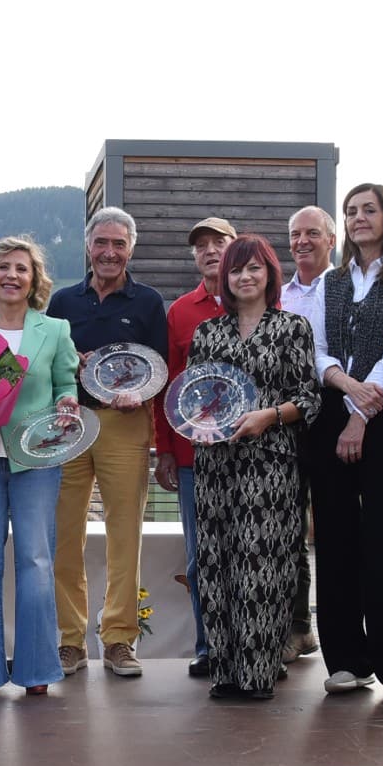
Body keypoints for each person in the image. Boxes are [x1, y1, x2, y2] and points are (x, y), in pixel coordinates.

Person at [307, 184, 383, 704]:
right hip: (333, 409)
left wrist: (361, 409)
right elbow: (315, 350)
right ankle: (347, 661)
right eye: (352, 211)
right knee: (334, 539)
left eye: (368, 210)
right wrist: (345, 388)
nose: (359, 218)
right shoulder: (330, 282)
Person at [191, 235, 318, 700]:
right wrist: (204, 420)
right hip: (216, 463)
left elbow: (309, 397)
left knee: (263, 564)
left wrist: (270, 416)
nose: (244, 277)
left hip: (271, 465)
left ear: (269, 274)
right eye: (235, 270)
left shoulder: (293, 328)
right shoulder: (208, 333)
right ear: (224, 279)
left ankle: (260, 673)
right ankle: (225, 671)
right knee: (217, 560)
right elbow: (193, 397)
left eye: (254, 268)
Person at [0, 237, 81, 694]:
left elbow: (66, 382)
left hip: (37, 460)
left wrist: (68, 401)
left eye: (21, 269)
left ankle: (36, 670)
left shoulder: (56, 329)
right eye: (3, 267)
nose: (11, 275)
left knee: (36, 562)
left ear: (34, 280)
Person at [46, 206, 168, 677]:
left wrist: (138, 391)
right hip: (70, 422)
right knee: (66, 536)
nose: (110, 252)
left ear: (130, 249)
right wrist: (70, 364)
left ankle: (119, 638)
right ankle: (71, 641)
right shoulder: (62, 302)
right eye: (102, 243)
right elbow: (50, 363)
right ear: (88, 247)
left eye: (119, 244)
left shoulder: (148, 301)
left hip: (125, 423)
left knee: (124, 535)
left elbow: (157, 367)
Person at [153, 216, 233, 679]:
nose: (209, 251)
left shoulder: (264, 304)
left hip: (249, 453)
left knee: (248, 550)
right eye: (201, 245)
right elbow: (168, 384)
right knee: (201, 555)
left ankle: (253, 644)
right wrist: (164, 447)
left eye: (218, 242)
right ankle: (207, 647)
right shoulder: (180, 311)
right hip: (191, 458)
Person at [280, 205, 336, 659]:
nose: (302, 241)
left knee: (337, 528)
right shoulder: (280, 296)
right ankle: (299, 626)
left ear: (330, 240)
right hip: (292, 421)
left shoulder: (346, 289)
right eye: (296, 234)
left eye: (312, 233)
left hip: (338, 415)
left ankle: (344, 632)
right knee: (289, 525)